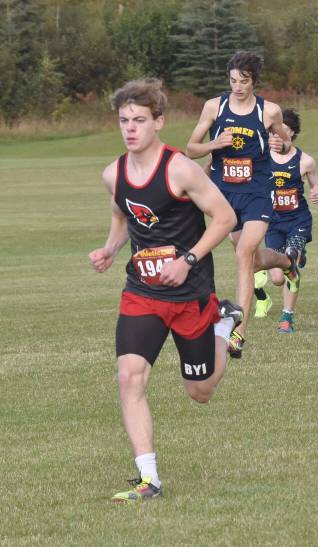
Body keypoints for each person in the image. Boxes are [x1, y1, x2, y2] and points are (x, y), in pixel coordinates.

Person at [91, 79, 242, 502]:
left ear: (158, 121)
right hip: (141, 292)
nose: (130, 128)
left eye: (140, 120)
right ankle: (149, 479)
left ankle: (223, 325)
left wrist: (188, 259)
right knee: (129, 376)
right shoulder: (113, 175)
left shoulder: (180, 168)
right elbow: (124, 219)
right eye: (124, 120)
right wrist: (109, 249)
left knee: (201, 392)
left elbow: (225, 218)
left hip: (189, 293)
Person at [185, 51, 299, 359]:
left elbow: (286, 141)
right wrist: (214, 144)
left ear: (254, 82)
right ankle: (288, 262)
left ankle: (238, 334)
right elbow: (191, 148)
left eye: (244, 81)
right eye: (233, 81)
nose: (237, 87)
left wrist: (281, 144)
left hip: (258, 192)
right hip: (225, 196)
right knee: (252, 259)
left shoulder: (269, 111)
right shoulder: (214, 106)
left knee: (244, 253)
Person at [252, 108, 318, 333]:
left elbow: (315, 183)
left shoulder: (305, 161)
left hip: (297, 220)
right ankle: (295, 257)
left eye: (285, 132)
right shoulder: (262, 159)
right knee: (277, 278)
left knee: (291, 259)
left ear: (292, 134)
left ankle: (287, 316)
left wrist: (316, 192)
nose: (279, 137)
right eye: (275, 132)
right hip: (274, 223)